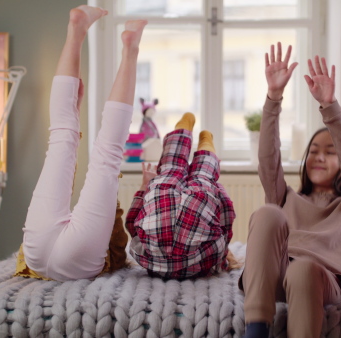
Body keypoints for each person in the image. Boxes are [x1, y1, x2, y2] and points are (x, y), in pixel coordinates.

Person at [240, 42, 341, 338]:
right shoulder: (285, 197)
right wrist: (273, 98)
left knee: (303, 270)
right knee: (267, 213)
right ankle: (257, 328)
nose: (320, 156)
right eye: (314, 150)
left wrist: (330, 106)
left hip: (318, 278)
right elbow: (267, 159)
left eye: (330, 151)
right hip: (273, 274)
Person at [15, 5, 147, 281]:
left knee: (107, 154)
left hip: (69, 259)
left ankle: (130, 49)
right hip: (35, 253)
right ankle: (75, 32)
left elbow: (120, 249)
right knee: (62, 134)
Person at [125, 113, 238, 279]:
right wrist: (145, 186)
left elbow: (226, 216)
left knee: (203, 174)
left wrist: (215, 189)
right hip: (162, 199)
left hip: (198, 202)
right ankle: (187, 129)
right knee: (172, 167)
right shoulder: (148, 259)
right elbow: (131, 223)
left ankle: (205, 139)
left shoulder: (208, 259)